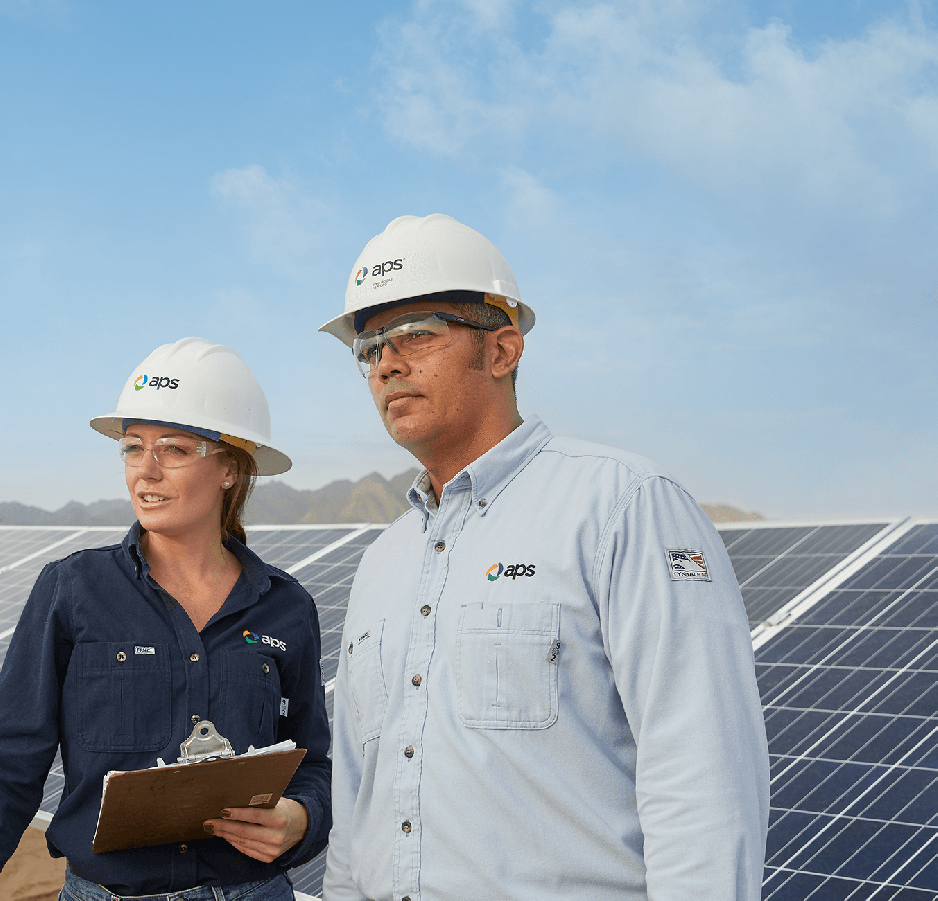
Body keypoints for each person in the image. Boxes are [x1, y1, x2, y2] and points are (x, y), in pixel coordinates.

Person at [319, 215, 769, 900]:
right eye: (370, 347)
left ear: (502, 351)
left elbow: (702, 774)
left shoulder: (622, 505)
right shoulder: (382, 561)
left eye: (416, 334)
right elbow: (357, 791)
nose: (386, 363)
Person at [0, 337, 331, 901]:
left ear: (231, 470)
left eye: (175, 449)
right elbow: (9, 765)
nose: (147, 471)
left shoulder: (285, 607)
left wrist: (303, 818)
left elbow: (311, 762)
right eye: (133, 448)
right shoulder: (72, 591)